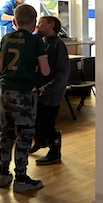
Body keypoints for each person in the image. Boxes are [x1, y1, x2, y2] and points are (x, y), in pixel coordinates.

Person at [0, 4, 50, 192]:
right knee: (24, 135)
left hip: (5, 92)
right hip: (25, 93)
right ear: (34, 23)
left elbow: (0, 67)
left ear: (14, 21)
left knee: (6, 133)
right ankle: (21, 179)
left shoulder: (6, 38)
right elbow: (45, 70)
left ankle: (3, 174)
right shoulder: (36, 41)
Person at [30, 16, 70, 166]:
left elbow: (62, 73)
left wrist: (47, 88)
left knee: (47, 124)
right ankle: (40, 142)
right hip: (41, 91)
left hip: (52, 93)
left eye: (41, 23)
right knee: (37, 120)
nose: (38, 25)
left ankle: (54, 152)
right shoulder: (43, 43)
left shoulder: (58, 45)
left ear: (51, 24)